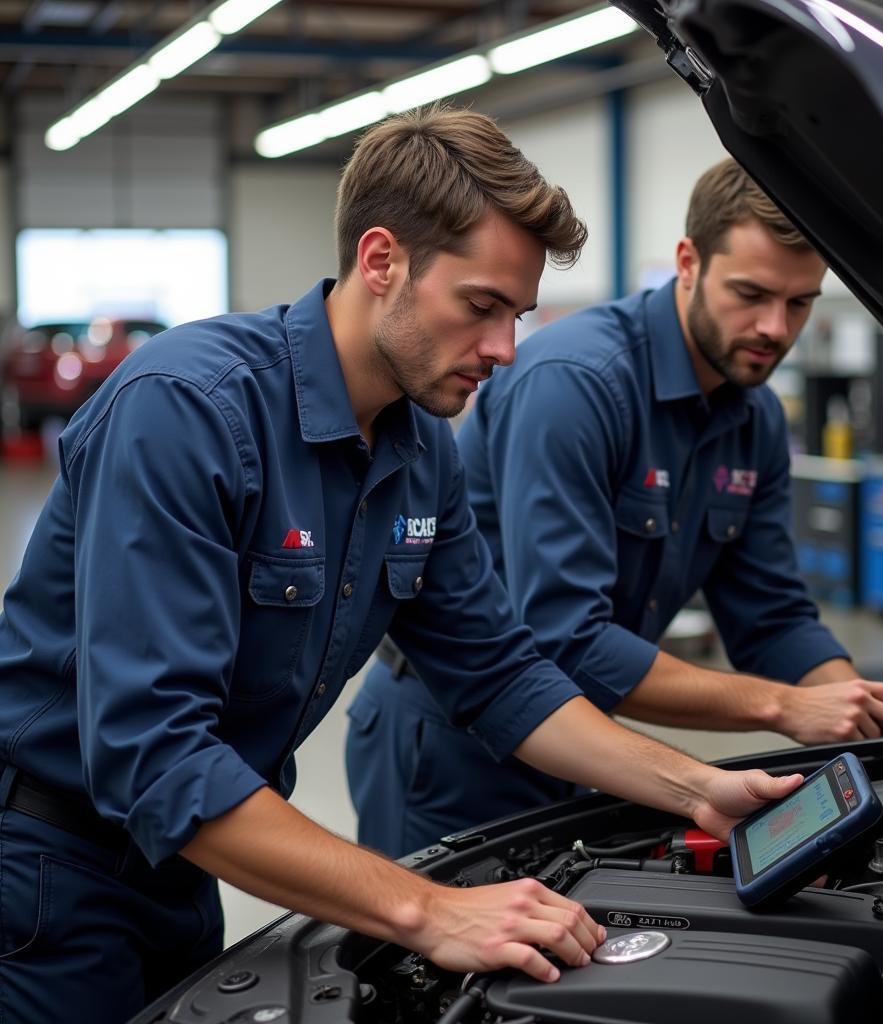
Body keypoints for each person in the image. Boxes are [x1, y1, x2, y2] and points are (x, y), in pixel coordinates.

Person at [0, 112, 805, 1024]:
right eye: (481, 307)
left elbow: (499, 673)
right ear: (382, 260)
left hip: (186, 871)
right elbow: (155, 756)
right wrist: (427, 908)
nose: (505, 350)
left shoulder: (422, 447)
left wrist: (701, 789)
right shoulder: (187, 411)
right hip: (44, 879)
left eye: (518, 315)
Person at [347, 157, 883, 858]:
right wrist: (785, 706)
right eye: (751, 293)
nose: (774, 328)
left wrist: (866, 715)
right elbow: (566, 638)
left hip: (590, 744)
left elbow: (772, 614)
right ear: (688, 262)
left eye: (800, 303)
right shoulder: (575, 385)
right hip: (453, 743)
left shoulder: (752, 420)